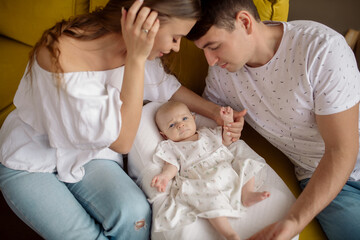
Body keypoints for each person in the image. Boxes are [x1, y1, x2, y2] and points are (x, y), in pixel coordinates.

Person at [0, 0, 213, 239]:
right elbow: (121, 142)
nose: (176, 47)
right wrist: (135, 59)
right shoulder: (62, 55)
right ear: (146, 23)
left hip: (91, 157)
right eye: (175, 37)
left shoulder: (134, 53)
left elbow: (166, 88)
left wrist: (217, 113)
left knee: (136, 216)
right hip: (29, 160)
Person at [186, 0, 360, 239]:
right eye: (202, 50)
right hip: (324, 179)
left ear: (245, 22)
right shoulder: (222, 74)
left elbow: (341, 149)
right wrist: (225, 124)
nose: (210, 60)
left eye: (214, 46)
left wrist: (294, 220)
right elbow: (209, 124)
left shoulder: (320, 48)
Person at [150, 101, 270, 240]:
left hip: (225, 168)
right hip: (203, 180)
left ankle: (247, 193)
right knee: (208, 198)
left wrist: (227, 120)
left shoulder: (207, 132)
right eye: (172, 125)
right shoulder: (171, 147)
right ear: (164, 135)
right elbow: (171, 166)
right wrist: (165, 177)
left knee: (247, 162)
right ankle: (229, 234)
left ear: (193, 119)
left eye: (184, 119)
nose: (180, 125)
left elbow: (227, 140)